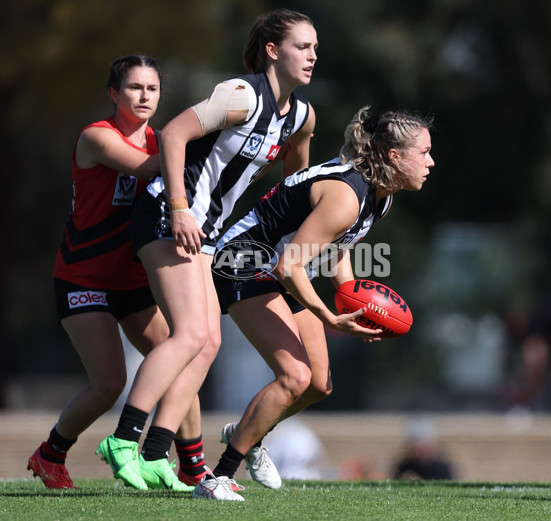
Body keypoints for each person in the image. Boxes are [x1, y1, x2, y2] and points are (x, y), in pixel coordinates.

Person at [96, 9, 318, 500]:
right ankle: (122, 439)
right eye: (303, 46)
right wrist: (179, 208)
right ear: (272, 51)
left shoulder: (301, 115)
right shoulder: (241, 95)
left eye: (316, 48)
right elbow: (173, 134)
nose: (312, 56)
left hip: (208, 229)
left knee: (208, 342)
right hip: (167, 213)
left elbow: (297, 180)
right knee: (191, 333)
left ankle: (155, 452)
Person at [201, 105, 435, 500]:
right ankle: (218, 477)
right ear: (395, 157)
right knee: (295, 377)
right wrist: (329, 315)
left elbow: (337, 250)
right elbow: (291, 265)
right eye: (424, 152)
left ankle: (248, 432)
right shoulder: (347, 195)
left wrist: (355, 310)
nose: (431, 161)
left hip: (281, 269)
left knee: (319, 384)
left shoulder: (381, 197)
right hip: (244, 261)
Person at [27, 56, 202, 491]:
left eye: (153, 89)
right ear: (113, 93)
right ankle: (51, 454)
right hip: (84, 279)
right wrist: (208, 148)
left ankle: (193, 468)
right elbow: (148, 168)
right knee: (109, 385)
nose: (145, 96)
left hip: (135, 280)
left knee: (182, 360)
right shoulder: (97, 137)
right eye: (134, 87)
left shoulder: (166, 141)